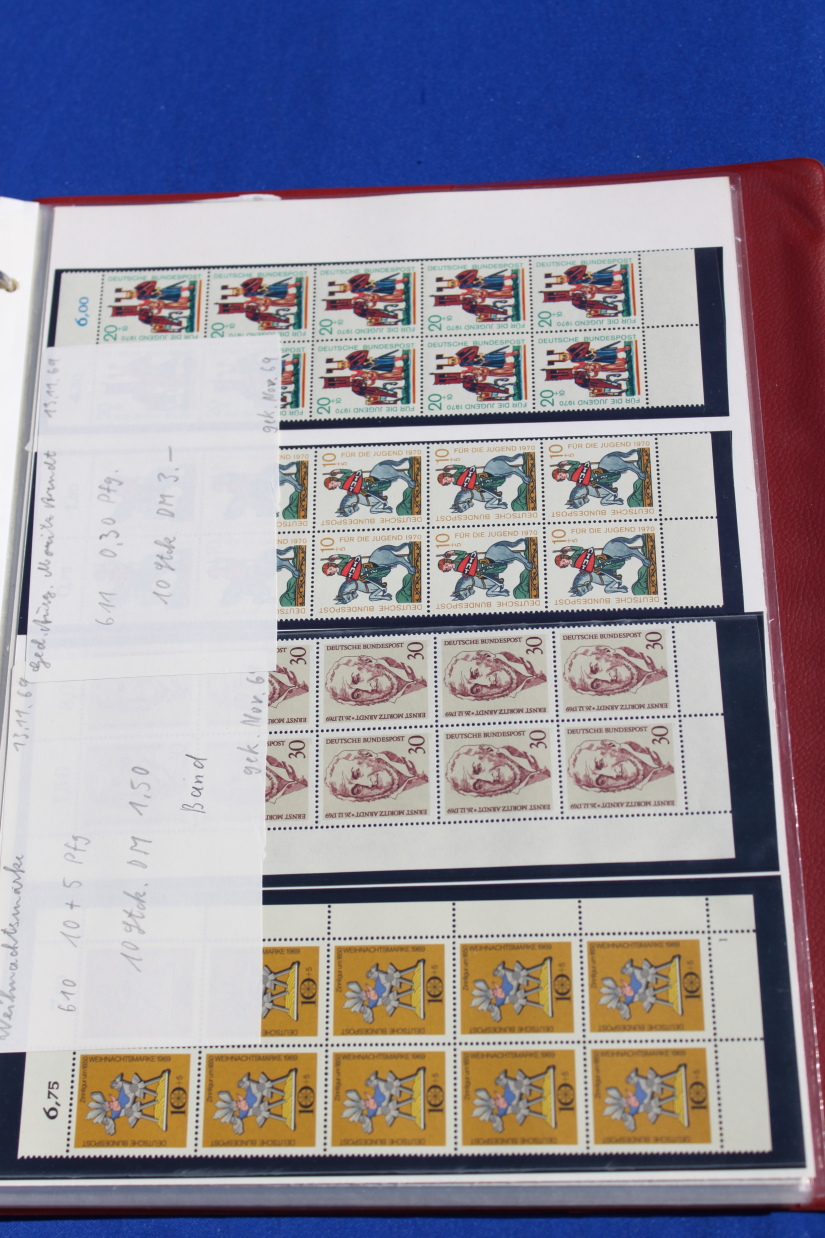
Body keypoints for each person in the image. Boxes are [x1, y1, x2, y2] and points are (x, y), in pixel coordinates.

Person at [567, 738, 673, 793]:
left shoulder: (650, 744)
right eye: (602, 780)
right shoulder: (648, 792)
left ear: (610, 745)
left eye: (601, 764)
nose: (612, 775)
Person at [445, 742, 551, 797]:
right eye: (479, 785)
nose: (490, 779)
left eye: (479, 768)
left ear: (488, 750)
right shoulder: (521, 799)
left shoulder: (527, 748)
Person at [324, 748, 428, 802]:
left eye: (357, 773)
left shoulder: (409, 754)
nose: (368, 784)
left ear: (368, 755)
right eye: (357, 790)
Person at [563, 644, 666, 697]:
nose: (607, 679)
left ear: (605, 651)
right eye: (596, 684)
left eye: (596, 668)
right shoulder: (641, 696)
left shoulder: (645, 649)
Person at [444, 648, 545, 701]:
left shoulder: (525, 654)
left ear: (486, 656)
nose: (487, 683)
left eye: (476, 673)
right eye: (476, 689)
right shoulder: (521, 701)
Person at [326, 654, 426, 706]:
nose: (368, 689)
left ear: (367, 661)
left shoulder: (409, 660)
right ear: (363, 702)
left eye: (357, 678)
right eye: (357, 694)